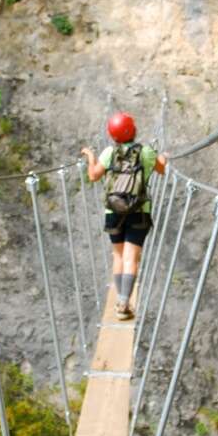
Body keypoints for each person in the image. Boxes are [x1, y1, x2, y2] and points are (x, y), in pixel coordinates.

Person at [81, 111, 166, 320]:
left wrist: (91, 156)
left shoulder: (109, 152)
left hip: (113, 211)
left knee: (118, 256)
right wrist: (162, 157)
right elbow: (162, 169)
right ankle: (124, 302)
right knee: (131, 258)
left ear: (112, 135)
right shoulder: (146, 152)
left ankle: (120, 299)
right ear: (133, 130)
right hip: (138, 212)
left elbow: (93, 176)